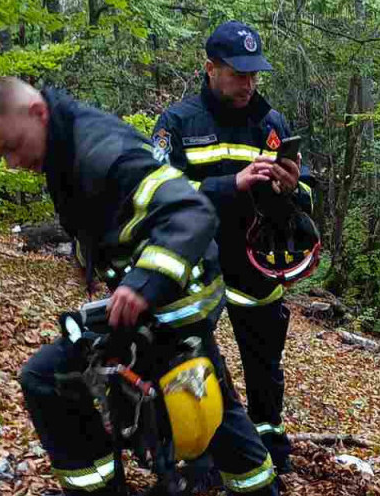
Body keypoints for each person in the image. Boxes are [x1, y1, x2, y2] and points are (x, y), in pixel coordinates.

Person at [0, 76, 279, 496]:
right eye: (1, 154)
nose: (11, 162)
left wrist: (142, 284)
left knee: (55, 377)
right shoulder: (63, 146)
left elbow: (193, 212)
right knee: (60, 379)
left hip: (173, 303)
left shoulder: (102, 152)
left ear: (38, 113)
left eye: (12, 146)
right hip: (152, 300)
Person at [152, 21, 315, 474]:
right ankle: (195, 451)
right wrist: (231, 184)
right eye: (239, 74)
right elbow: (157, 195)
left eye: (254, 74)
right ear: (210, 69)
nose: (249, 84)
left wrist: (291, 188)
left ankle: (269, 445)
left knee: (265, 362)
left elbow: (305, 198)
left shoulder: (271, 123)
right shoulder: (177, 123)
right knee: (189, 359)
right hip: (194, 264)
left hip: (256, 262)